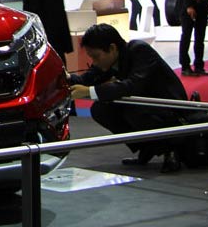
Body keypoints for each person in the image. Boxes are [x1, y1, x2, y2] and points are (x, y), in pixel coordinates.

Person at [68, 23, 187, 172]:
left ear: (112, 48)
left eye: (96, 56)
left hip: (170, 109)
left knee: (133, 111)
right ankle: (147, 147)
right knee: (100, 109)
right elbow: (88, 78)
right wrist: (66, 78)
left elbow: (132, 85)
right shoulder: (111, 59)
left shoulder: (140, 50)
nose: (95, 62)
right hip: (144, 107)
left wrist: (89, 91)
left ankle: (171, 150)